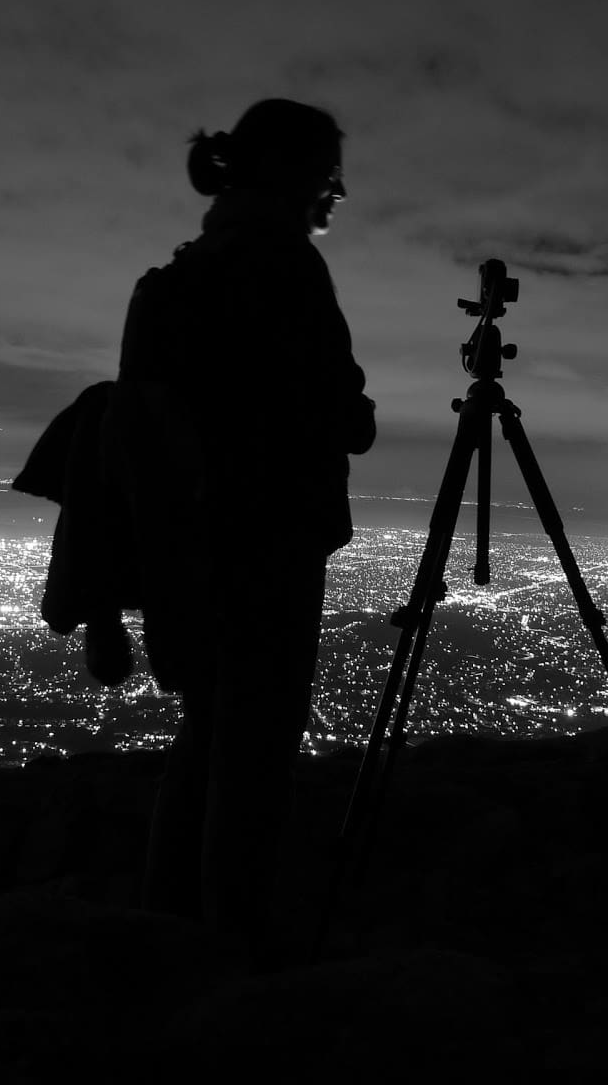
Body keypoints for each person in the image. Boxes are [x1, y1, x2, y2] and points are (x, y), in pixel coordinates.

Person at [112, 98, 375, 966]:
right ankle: (233, 947)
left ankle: (170, 923)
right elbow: (337, 411)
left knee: (211, 728)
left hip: (189, 539)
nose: (334, 194)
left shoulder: (193, 265)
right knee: (257, 743)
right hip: (268, 535)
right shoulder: (281, 263)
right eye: (327, 174)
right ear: (297, 173)